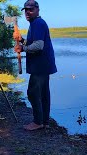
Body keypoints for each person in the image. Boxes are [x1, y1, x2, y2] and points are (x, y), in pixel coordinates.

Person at [15, 0, 57, 130]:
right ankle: (45, 122)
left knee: (33, 93)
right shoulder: (36, 23)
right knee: (44, 94)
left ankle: (38, 122)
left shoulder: (38, 23)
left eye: (31, 9)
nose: (28, 12)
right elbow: (33, 42)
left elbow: (38, 46)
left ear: (37, 10)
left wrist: (22, 48)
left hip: (40, 66)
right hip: (44, 65)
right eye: (26, 10)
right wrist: (22, 40)